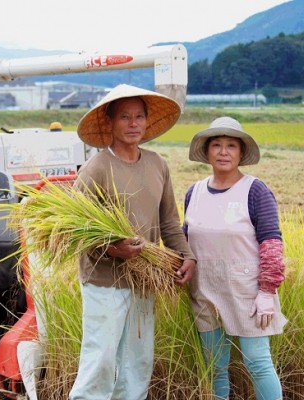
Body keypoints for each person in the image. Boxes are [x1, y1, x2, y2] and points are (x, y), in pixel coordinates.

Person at [68, 84, 197, 400]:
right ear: (109, 123)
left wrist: (187, 255)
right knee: (100, 359)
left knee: (137, 361)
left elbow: (168, 220)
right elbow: (76, 228)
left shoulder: (157, 164)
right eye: (124, 117)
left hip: (144, 279)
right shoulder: (96, 168)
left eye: (139, 116)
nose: (133, 123)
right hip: (104, 281)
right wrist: (113, 249)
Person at [183, 116, 287, 400]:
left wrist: (267, 290)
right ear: (207, 152)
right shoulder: (195, 192)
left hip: (247, 293)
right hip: (204, 291)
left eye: (231, 145)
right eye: (216, 145)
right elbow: (184, 240)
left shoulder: (255, 191)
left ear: (241, 153)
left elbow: (271, 242)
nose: (223, 151)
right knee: (215, 366)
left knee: (258, 363)